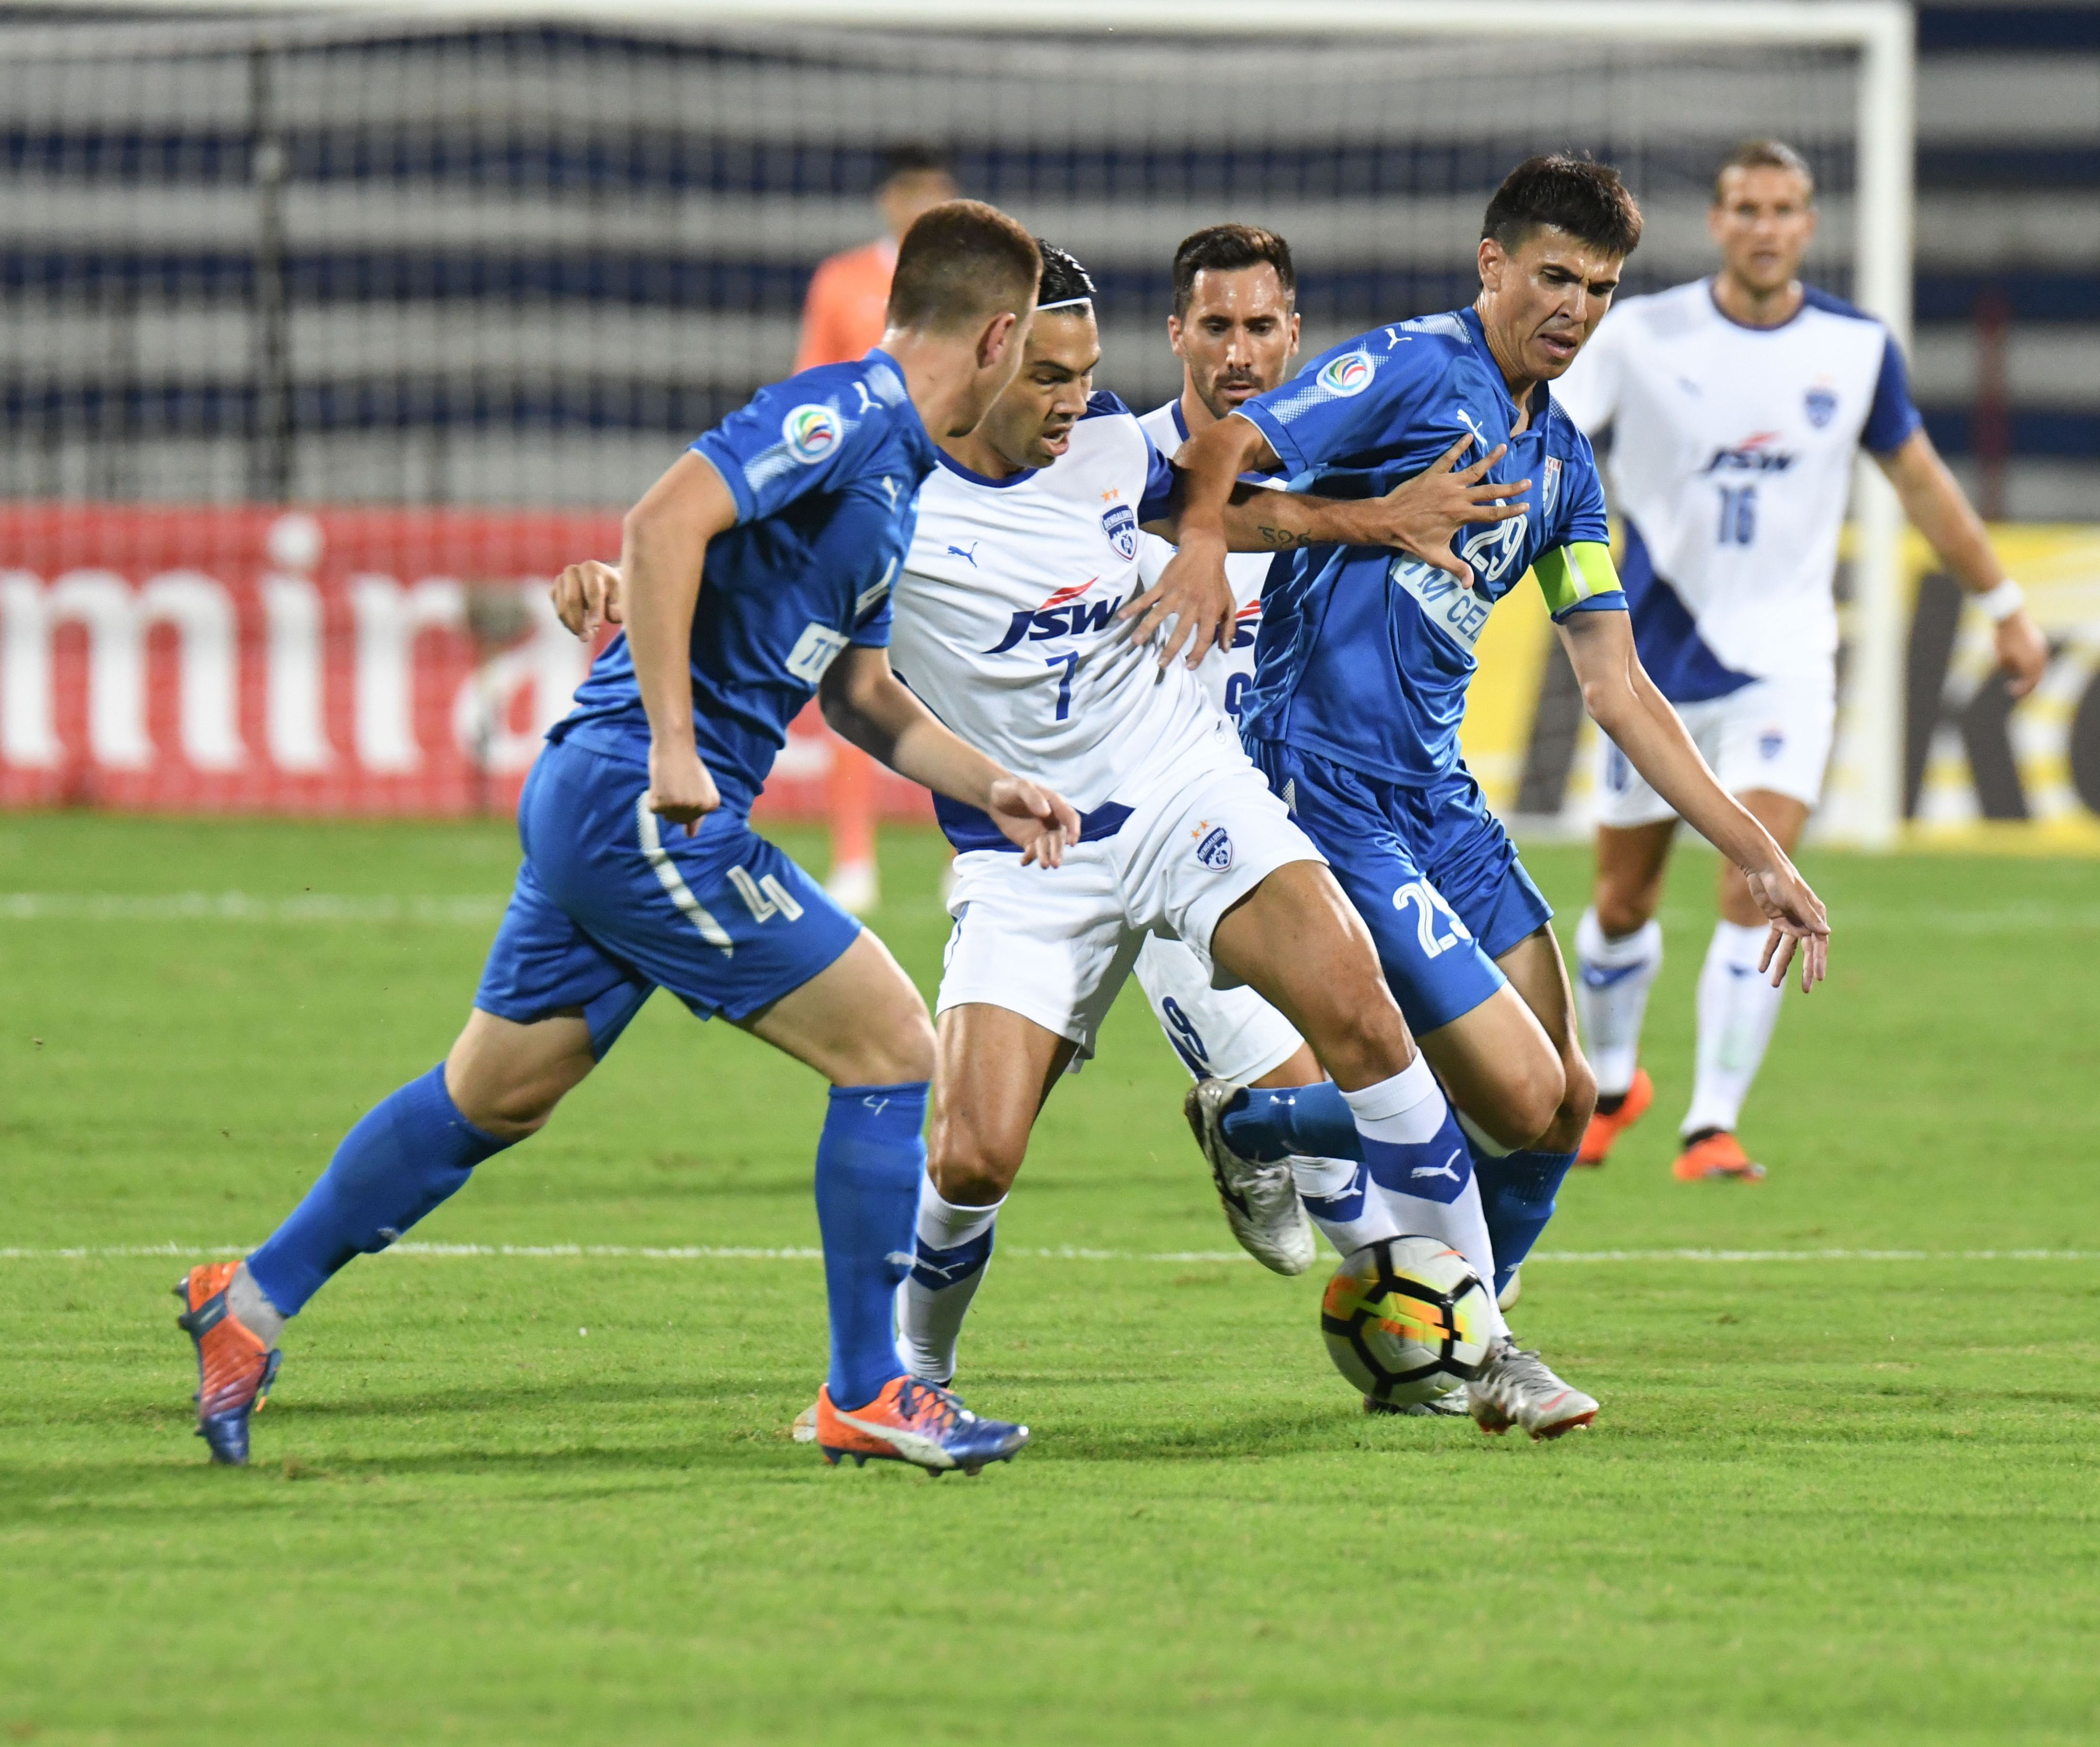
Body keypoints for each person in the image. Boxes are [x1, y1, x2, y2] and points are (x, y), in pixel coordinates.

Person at [176, 201, 1068, 1476]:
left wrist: (997, 783)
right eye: (1033, 350)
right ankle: (871, 1389)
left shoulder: (900, 476)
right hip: (648, 805)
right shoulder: (842, 414)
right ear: (995, 337)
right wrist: (673, 744)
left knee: (492, 1096)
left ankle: (246, 1306)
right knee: (892, 1048)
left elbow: (860, 697)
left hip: (611, 808)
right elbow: (662, 525)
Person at [780, 240, 1599, 1435]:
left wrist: (1367, 519)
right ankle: (913, 1374)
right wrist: (611, 582)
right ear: (985, 358)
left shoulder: (1112, 443)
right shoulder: (879, 504)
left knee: (1361, 1020)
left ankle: (1485, 1348)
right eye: (1052, 378)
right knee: (970, 1158)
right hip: (1030, 854)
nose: (1078, 401)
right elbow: (741, 588)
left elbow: (1232, 478)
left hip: (1184, 794)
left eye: (1086, 372)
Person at [1135, 156, 1832, 1333]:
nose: (1576, 308)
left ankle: (1440, 1311)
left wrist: (1759, 851)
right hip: (1325, 788)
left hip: (1437, 798)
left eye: (1601, 288)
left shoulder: (1561, 468)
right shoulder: (1411, 369)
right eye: (1555, 276)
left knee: (1570, 1102)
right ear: (1493, 263)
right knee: (1513, 1091)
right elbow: (1208, 462)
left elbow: (1617, 688)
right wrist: (1208, 546)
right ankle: (1473, 1343)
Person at [1553, 139, 2047, 1184]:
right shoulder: (1641, 336)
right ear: (1720, 223)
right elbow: (1542, 438)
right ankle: (1613, 1081)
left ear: (1808, 226)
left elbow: (1921, 483)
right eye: (1745, 207)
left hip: (1788, 664)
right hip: (1651, 666)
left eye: (1784, 208)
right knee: (1621, 904)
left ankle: (1711, 1125)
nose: (1765, 226)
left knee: (1755, 883)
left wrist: (2001, 602)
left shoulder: (1855, 350)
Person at [1121, 225, 1347, 1262]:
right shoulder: (1118, 479)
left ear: (1295, 335)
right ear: (1178, 333)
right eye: (1217, 326)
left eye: (1261, 326)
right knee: (979, 1135)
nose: (1239, 351)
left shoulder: (1347, 477)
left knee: (1412, 1110)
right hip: (1162, 848)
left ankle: (1245, 1124)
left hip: (1313, 843)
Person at [792, 143, 963, 917]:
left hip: (952, 504)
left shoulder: (972, 280)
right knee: (851, 679)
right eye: (909, 191)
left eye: (934, 189)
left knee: (957, 678)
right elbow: (812, 390)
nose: (920, 203)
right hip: (863, 505)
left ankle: (970, 848)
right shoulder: (843, 282)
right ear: (888, 201)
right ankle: (853, 858)